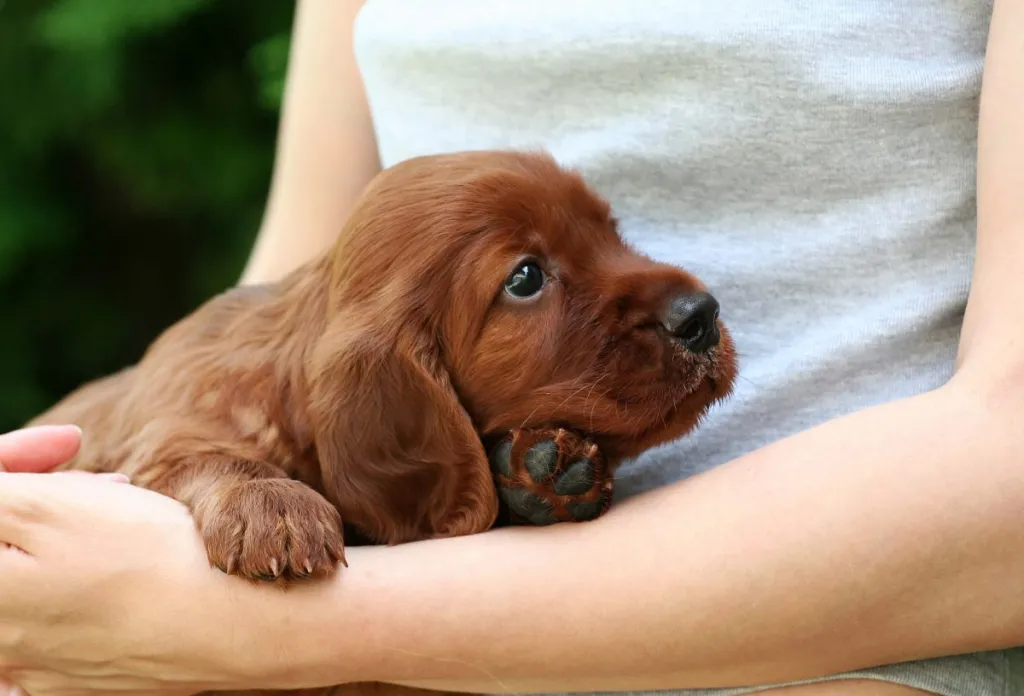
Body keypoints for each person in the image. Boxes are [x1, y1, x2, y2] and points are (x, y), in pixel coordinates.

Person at [1, 0, 1022, 694]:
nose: (683, 298)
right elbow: (307, 284)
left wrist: (243, 632)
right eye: (528, 280)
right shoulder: (362, 375)